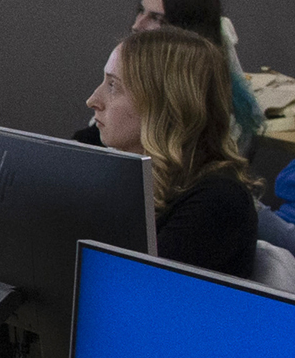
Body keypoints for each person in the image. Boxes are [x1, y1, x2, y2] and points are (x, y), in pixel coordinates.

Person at [84, 28, 259, 278]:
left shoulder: (218, 201)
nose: (93, 100)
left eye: (113, 86)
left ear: (165, 102)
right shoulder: (134, 177)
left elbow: (135, 290)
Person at [79, 0, 266, 148]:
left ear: (184, 33)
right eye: (140, 11)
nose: (137, 26)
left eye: (155, 18)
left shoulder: (213, 120)